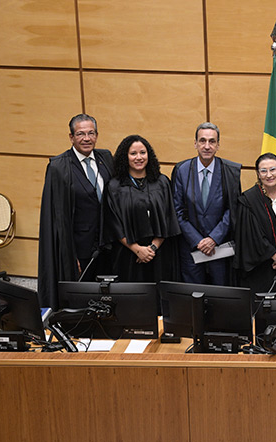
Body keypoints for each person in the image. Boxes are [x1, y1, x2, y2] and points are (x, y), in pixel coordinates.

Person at [38, 114, 114, 309]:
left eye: (91, 133)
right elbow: (57, 218)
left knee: (108, 296)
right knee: (81, 301)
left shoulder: (106, 158)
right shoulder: (59, 167)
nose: (86, 138)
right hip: (79, 248)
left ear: (97, 135)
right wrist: (69, 256)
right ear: (71, 137)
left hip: (107, 245)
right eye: (80, 134)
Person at [171, 122, 241, 286]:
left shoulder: (231, 171)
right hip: (191, 248)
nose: (207, 146)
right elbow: (177, 210)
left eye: (212, 141)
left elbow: (233, 209)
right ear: (195, 143)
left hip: (220, 248)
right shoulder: (181, 170)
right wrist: (198, 241)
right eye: (202, 141)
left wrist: (213, 238)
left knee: (221, 296)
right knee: (194, 299)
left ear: (218, 145)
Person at [104, 135, 180, 282]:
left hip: (159, 254)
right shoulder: (115, 186)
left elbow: (168, 217)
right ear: (125, 157)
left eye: (143, 153)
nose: (139, 157)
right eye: (133, 153)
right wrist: (137, 249)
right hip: (127, 255)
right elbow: (114, 224)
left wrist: (152, 248)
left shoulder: (162, 182)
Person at [234, 153, 276, 300]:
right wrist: (273, 256)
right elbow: (250, 235)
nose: (269, 175)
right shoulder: (248, 200)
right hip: (260, 270)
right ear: (258, 174)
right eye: (263, 171)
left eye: (273, 169)